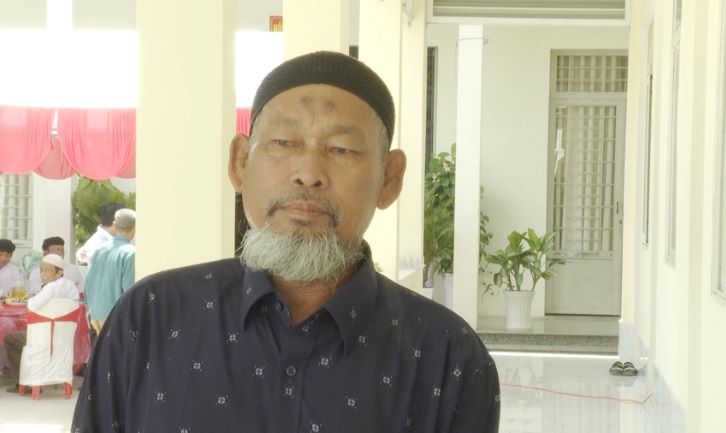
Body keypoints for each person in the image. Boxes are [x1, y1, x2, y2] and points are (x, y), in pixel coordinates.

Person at [72, 51, 500, 433]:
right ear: (240, 162)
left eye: (342, 149)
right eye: (283, 142)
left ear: (389, 179)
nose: (308, 173)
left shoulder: (448, 358)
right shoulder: (150, 318)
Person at [4, 254, 80, 393]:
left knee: (11, 339)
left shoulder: (50, 288)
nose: (42, 274)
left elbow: (32, 305)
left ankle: (23, 382)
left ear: (59, 272)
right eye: (41, 270)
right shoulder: (71, 287)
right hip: (64, 338)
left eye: (47, 270)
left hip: (43, 337)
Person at [82, 208, 136, 336]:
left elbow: (88, 282)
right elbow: (129, 289)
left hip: (96, 314)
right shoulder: (130, 253)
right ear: (134, 228)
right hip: (116, 316)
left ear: (115, 225)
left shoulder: (99, 250)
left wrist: (90, 308)